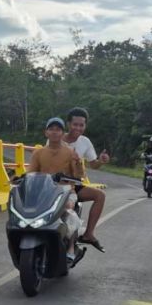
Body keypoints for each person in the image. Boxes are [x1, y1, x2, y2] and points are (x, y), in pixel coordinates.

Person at [29, 117, 87, 263]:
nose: (54, 132)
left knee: (68, 209)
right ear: (46, 133)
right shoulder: (38, 153)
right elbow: (31, 173)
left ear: (62, 133)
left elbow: (79, 176)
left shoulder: (70, 152)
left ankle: (71, 248)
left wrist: (78, 162)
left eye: (58, 129)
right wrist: (20, 179)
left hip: (66, 191)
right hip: (44, 191)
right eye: (51, 129)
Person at [59, 107, 107, 252]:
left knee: (100, 195)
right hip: (55, 185)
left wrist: (101, 161)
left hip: (74, 185)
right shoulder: (56, 139)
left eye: (81, 125)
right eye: (75, 124)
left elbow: (94, 164)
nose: (78, 128)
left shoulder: (85, 142)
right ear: (68, 124)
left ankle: (88, 234)